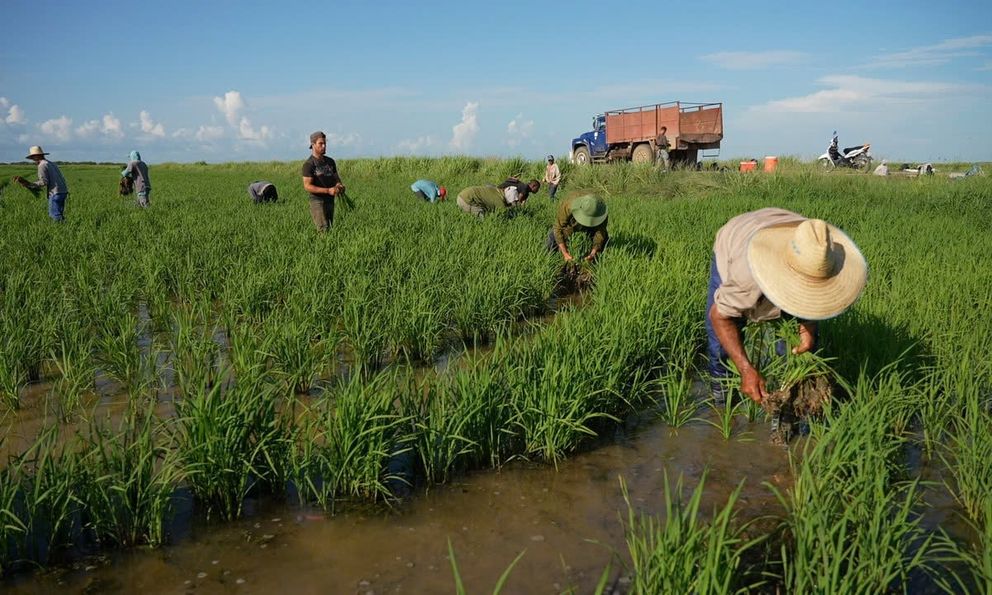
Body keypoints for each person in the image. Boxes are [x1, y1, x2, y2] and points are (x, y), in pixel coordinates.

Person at [705, 208, 867, 405]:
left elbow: (815, 299)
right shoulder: (746, 275)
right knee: (721, 345)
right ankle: (722, 398)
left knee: (796, 348)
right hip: (736, 237)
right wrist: (746, 369)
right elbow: (719, 317)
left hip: (782, 228)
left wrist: (807, 328)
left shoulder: (818, 248)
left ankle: (787, 402)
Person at [545, 193, 609, 262]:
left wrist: (593, 252)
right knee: (553, 240)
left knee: (604, 239)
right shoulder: (568, 205)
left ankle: (597, 261)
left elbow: (600, 232)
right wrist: (565, 253)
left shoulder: (601, 212)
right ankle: (550, 260)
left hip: (594, 222)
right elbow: (558, 228)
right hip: (572, 220)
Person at [301, 131, 345, 232]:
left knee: (329, 228)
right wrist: (328, 190)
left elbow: (336, 178)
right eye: (321, 143)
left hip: (330, 200)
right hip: (317, 201)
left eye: (325, 143)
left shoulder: (330, 162)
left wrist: (339, 185)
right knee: (323, 230)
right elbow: (307, 186)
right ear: (313, 145)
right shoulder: (309, 165)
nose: (324, 146)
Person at [13, 146, 69, 222]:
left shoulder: (42, 165)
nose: (33, 159)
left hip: (55, 193)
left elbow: (44, 182)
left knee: (54, 216)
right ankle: (65, 229)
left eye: (33, 157)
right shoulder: (51, 163)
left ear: (37, 156)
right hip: (63, 191)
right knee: (59, 214)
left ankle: (61, 230)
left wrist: (29, 184)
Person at [456, 185, 521, 218]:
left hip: (461, 195)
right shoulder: (499, 202)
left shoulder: (497, 191)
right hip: (466, 199)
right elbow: (503, 214)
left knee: (484, 210)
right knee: (482, 218)